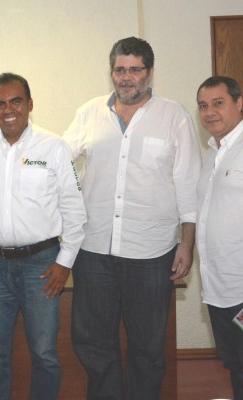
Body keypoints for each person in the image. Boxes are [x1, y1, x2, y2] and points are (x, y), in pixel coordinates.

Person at [63, 37, 201, 399]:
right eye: (120, 70)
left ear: (150, 72)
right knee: (93, 342)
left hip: (152, 253)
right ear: (111, 72)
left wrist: (187, 243)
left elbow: (188, 184)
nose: (127, 77)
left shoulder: (174, 116)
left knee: (148, 347)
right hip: (94, 250)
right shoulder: (89, 113)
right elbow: (56, 160)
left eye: (135, 70)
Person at [0, 73, 87, 400]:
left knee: (44, 353)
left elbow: (75, 211)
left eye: (16, 101)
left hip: (42, 264)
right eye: (0, 104)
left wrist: (64, 263)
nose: (8, 110)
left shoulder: (54, 146)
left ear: (30, 104)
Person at [196, 75, 243, 399]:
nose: (209, 112)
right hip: (219, 288)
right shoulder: (213, 153)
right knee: (236, 363)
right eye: (203, 106)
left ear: (239, 103)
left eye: (218, 103)